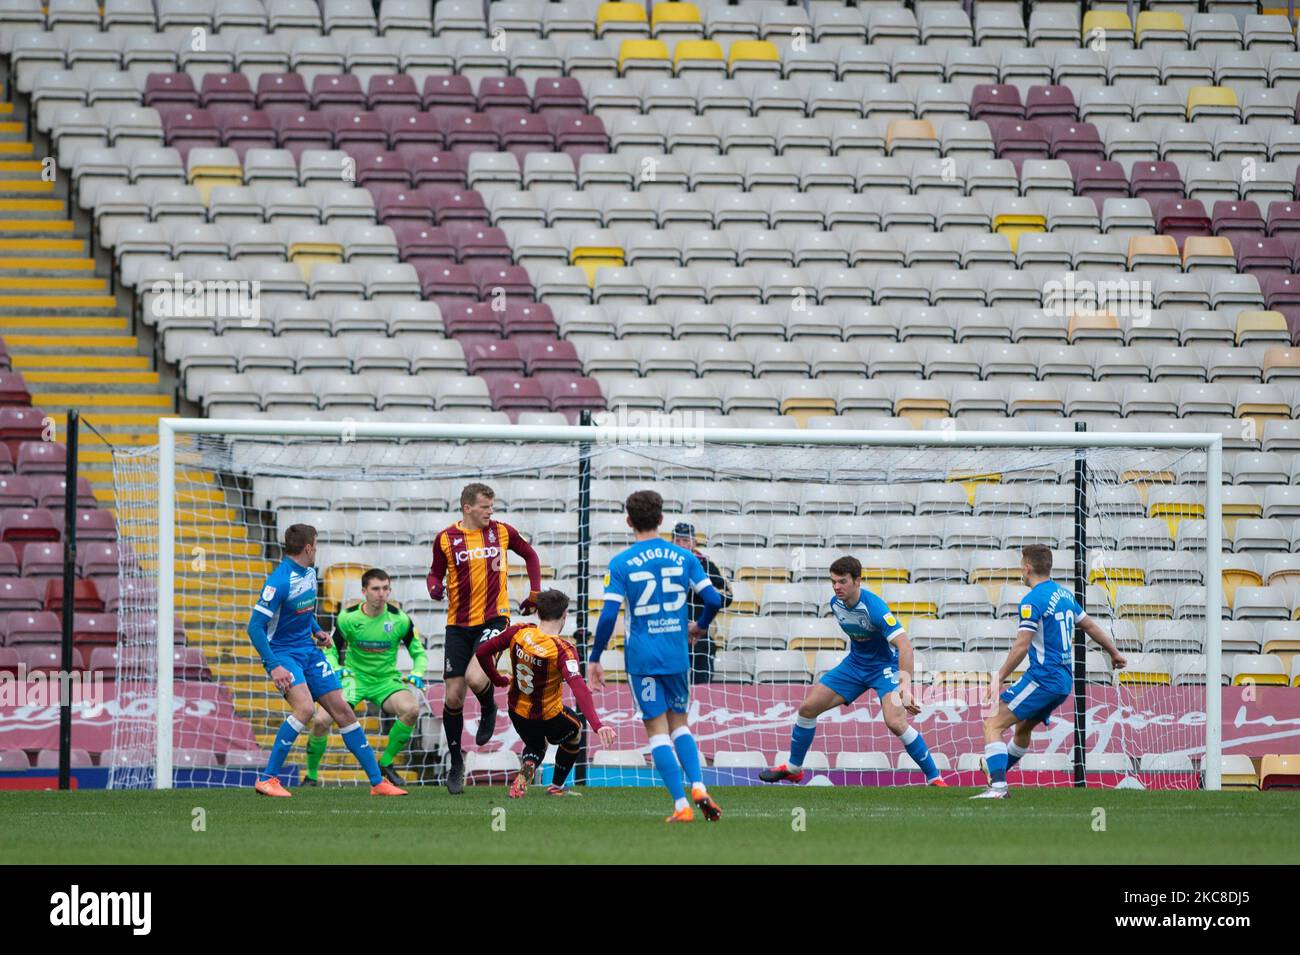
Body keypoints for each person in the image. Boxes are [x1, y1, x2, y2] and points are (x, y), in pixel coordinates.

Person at [588, 490, 725, 822]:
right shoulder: (685, 557)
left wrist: (595, 658)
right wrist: (701, 627)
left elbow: (608, 616)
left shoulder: (621, 563)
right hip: (677, 652)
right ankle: (698, 785)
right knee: (681, 724)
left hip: (643, 657)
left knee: (657, 730)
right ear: (661, 519)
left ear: (629, 521)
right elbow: (714, 600)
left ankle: (681, 804)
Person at [246, 524, 406, 797]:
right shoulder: (279, 581)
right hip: (284, 655)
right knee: (305, 709)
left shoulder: (309, 573)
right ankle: (268, 779)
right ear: (308, 548)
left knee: (343, 711)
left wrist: (316, 630)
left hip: (308, 651)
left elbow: (302, 610)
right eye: (316, 545)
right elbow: (254, 627)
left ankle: (378, 783)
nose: (317, 550)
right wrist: (274, 665)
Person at [760, 555, 946, 787]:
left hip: (884, 667)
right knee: (808, 709)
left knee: (895, 723)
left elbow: (905, 645)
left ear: (857, 581)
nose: (837, 587)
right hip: (855, 665)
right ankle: (794, 768)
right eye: (833, 582)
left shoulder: (875, 608)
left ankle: (935, 778)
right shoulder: (835, 604)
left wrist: (905, 688)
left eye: (842, 581)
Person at [971, 544, 1127, 800]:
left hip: (1043, 677)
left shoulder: (1032, 600)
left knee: (993, 723)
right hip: (1063, 681)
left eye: (1022, 564)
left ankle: (998, 788)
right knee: (1022, 728)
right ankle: (996, 771)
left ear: (1027, 567)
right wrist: (1115, 652)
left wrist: (997, 677)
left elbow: (1022, 645)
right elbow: (1089, 626)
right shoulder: (1064, 595)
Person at [427, 482, 543, 794]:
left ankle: (489, 706)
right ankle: (456, 763)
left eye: (492, 507)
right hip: (458, 625)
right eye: (484, 507)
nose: (490, 512)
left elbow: (530, 554)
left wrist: (534, 591)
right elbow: (435, 573)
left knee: (476, 678)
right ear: (467, 508)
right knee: (452, 696)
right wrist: (434, 587)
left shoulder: (502, 531)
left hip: (494, 618)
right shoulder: (446, 539)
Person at [474, 590, 617, 798]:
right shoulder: (563, 650)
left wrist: (498, 680)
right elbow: (578, 687)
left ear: (538, 613)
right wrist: (597, 724)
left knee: (536, 745)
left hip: (517, 710)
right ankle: (557, 786)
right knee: (575, 730)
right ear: (565, 614)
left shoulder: (518, 631)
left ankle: (529, 765)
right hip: (548, 715)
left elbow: (482, 652)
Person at [301, 568, 426, 788]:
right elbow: (330, 649)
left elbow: (418, 652)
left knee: (412, 709)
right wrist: (335, 667)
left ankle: (386, 763)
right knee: (320, 721)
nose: (381, 593)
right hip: (354, 679)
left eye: (386, 588)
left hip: (385, 680)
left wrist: (417, 672)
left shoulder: (401, 620)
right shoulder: (348, 618)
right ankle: (311, 776)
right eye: (376, 589)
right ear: (364, 591)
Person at [670, 521, 733, 684]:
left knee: (701, 684)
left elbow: (727, 596)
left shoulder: (706, 565)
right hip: (670, 631)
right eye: (677, 540)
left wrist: (702, 589)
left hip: (700, 633)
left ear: (694, 542)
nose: (682, 544)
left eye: (685, 540)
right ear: (671, 543)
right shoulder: (664, 565)